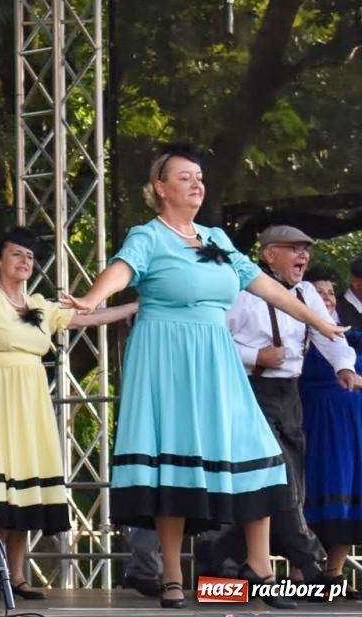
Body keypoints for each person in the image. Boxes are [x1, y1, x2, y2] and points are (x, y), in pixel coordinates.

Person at [60, 144, 345, 610]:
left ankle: (259, 566)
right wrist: (93, 298)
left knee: (261, 453)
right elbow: (122, 269)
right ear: (161, 187)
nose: (197, 183)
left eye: (200, 176)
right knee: (173, 462)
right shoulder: (149, 235)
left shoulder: (215, 237)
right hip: (167, 356)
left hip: (216, 356)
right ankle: (172, 575)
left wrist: (317, 321)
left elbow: (264, 284)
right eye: (185, 176)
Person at [0, 227, 138, 600]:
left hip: (32, 395)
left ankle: (18, 573)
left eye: (29, 256)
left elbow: (89, 318)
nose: (24, 261)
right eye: (16, 254)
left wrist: (141, 305)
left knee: (25, 481)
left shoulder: (41, 305)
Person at [208, 225, 358, 590]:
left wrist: (345, 366)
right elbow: (213, 338)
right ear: (269, 254)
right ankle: (311, 561)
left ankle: (217, 555)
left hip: (290, 393)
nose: (303, 256)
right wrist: (255, 355)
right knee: (280, 475)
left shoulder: (306, 292)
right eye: (293, 249)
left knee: (288, 482)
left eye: (305, 249)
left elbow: (329, 334)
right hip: (250, 389)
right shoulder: (241, 291)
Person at [300, 266, 362, 597]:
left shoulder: (343, 322)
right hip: (315, 415)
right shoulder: (299, 324)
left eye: (330, 293)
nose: (327, 299)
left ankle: (333, 575)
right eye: (319, 293)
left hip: (353, 416)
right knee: (311, 487)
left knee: (350, 488)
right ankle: (298, 575)